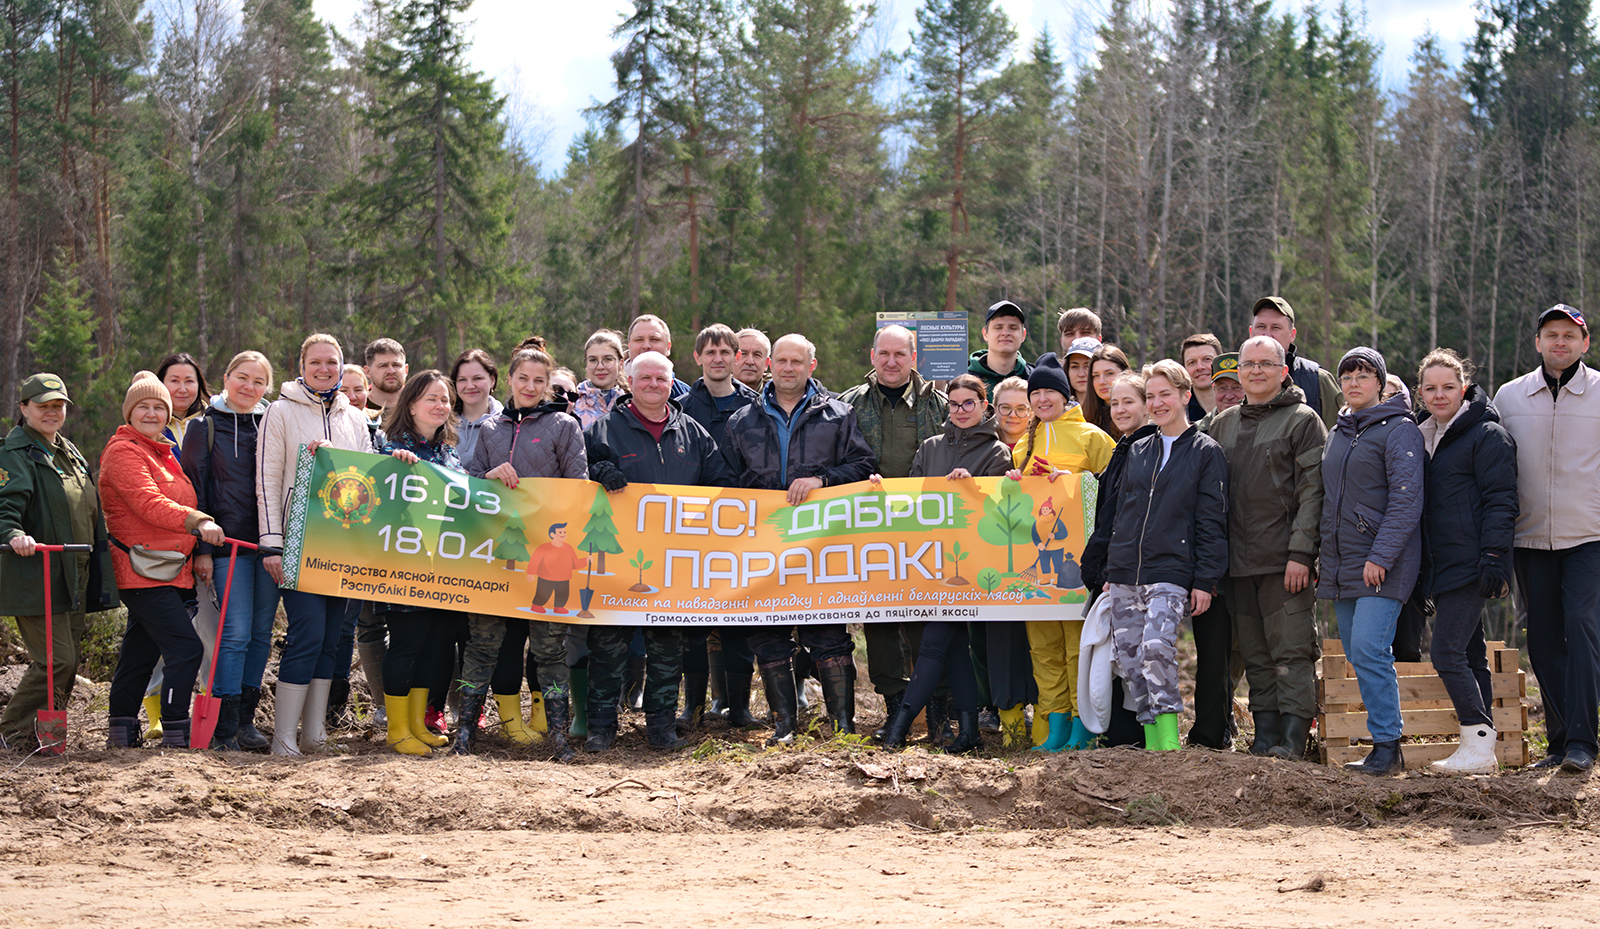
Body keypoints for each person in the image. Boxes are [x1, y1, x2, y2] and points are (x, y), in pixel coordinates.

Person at [721, 333, 876, 744]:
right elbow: (725, 481)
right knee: (768, 635)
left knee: (827, 632)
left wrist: (822, 480)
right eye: (782, 361)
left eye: (797, 361)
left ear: (812, 365)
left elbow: (863, 465)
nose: (788, 368)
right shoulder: (741, 421)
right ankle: (784, 725)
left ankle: (843, 726)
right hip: (762, 547)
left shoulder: (838, 415)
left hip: (821, 546)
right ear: (770, 364)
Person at [584, 351, 733, 751]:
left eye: (661, 379)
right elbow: (578, 478)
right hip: (616, 562)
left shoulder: (694, 433)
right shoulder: (603, 429)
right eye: (645, 378)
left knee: (668, 649)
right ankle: (601, 728)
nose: (653, 385)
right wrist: (599, 474)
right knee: (607, 648)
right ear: (629, 381)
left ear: (672, 382)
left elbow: (722, 485)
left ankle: (661, 728)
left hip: (672, 564)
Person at [463, 340, 587, 760]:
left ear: (548, 384)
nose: (530, 386)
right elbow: (466, 486)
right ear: (510, 380)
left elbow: (578, 488)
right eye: (523, 378)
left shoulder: (564, 427)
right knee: (483, 645)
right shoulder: (489, 429)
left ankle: (557, 734)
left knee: (550, 649)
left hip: (547, 559)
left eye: (539, 380)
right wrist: (487, 476)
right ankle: (466, 732)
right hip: (495, 557)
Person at [1204, 336, 1328, 759]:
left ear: (1283, 371)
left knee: (1291, 651)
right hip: (1237, 564)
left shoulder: (1303, 420)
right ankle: (1265, 733)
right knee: (1256, 654)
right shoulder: (1222, 424)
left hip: (1283, 562)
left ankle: (1294, 738)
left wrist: (1301, 554)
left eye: (1265, 363)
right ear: (1239, 372)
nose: (1256, 370)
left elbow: (1314, 493)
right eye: (1249, 364)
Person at [1097, 360, 1229, 751]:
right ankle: (1153, 745)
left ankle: (1170, 744)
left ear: (1185, 396)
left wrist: (1205, 580)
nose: (1156, 403)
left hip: (1171, 571)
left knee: (1156, 649)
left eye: (1164, 395)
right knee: (1130, 660)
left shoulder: (1206, 452)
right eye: (1150, 396)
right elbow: (1121, 514)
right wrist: (1111, 569)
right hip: (1125, 572)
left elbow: (1211, 521)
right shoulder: (1138, 450)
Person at [879, 374, 1011, 752]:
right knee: (953, 647)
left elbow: (1000, 509)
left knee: (934, 644)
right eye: (954, 404)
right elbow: (912, 498)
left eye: (969, 403)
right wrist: (880, 490)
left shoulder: (996, 452)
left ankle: (898, 728)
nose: (961, 411)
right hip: (933, 562)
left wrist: (974, 485)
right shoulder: (930, 447)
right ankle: (969, 733)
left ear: (984, 406)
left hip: (971, 564)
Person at [258, 333, 375, 756]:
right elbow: (268, 481)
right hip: (297, 543)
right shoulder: (280, 412)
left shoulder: (356, 419)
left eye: (332, 363)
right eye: (316, 363)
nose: (324, 370)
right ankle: (283, 737)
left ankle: (314, 735)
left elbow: (368, 481)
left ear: (342, 367)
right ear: (302, 365)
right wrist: (272, 544)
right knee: (306, 634)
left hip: (344, 547)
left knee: (330, 639)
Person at [1495, 304, 1600, 774]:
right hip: (1530, 538)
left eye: (1570, 336)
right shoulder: (1510, 397)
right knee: (1542, 639)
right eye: (1551, 335)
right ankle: (1557, 742)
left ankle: (1583, 740)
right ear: (1537, 343)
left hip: (1589, 535)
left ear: (1585, 343)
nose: (1561, 342)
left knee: (1582, 627)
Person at [101, 372, 227, 749]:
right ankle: (175, 728)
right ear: (129, 413)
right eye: (143, 407)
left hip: (168, 568)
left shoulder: (164, 452)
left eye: (159, 407)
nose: (152, 413)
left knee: (140, 653)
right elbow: (148, 503)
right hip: (141, 569)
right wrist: (197, 520)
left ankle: (121, 729)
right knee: (186, 649)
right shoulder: (123, 451)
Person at [1319, 347, 1425, 776]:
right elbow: (1329, 501)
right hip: (1342, 562)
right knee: (1356, 652)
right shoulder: (1339, 432)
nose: (1354, 382)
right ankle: (1382, 744)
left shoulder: (1400, 429)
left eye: (1364, 375)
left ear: (1380, 383)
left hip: (1384, 561)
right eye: (1347, 375)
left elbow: (1406, 501)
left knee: (1369, 648)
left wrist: (1381, 556)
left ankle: (1388, 745)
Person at [841, 325, 949, 742]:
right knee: (881, 622)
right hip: (870, 535)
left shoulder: (938, 405)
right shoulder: (847, 405)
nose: (890, 362)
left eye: (899, 355)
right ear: (872, 355)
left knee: (927, 623)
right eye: (883, 354)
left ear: (913, 357)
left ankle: (935, 713)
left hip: (928, 533)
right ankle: (896, 712)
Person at [0, 374, 118, 751]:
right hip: (36, 573)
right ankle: (10, 732)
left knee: (67, 666)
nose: (51, 412)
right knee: (57, 662)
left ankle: (49, 739)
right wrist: (14, 534)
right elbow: (6, 509)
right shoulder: (13, 454)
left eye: (58, 406)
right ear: (23, 409)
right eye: (42, 406)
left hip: (74, 572)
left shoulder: (69, 451)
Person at [1415, 349, 1518, 775]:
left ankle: (1477, 739)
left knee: (1446, 651)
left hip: (1472, 562)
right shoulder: (1424, 436)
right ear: (1420, 392)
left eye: (1448, 387)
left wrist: (1495, 555)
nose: (1440, 395)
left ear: (1464, 388)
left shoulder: (1487, 435)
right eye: (1431, 388)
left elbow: (1502, 500)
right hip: (1441, 564)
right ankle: (1480, 749)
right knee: (1472, 654)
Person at [1006, 352, 1115, 751]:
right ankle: (1055, 727)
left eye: (1051, 391)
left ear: (1066, 395)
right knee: (1043, 647)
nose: (1043, 400)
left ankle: (1081, 725)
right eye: (1037, 393)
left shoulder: (1092, 437)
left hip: (1079, 565)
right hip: (1038, 568)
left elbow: (1114, 489)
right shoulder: (1023, 444)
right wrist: (1014, 481)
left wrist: (1079, 480)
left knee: (1076, 647)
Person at [181, 351, 281, 750]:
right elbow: (194, 491)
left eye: (258, 382)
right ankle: (221, 727)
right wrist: (200, 549)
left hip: (270, 545)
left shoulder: (274, 423)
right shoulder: (202, 427)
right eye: (242, 378)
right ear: (225, 378)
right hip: (226, 548)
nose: (249, 387)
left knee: (260, 634)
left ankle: (245, 722)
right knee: (234, 633)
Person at [370, 370, 472, 756]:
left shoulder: (449, 452)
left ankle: (416, 724)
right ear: (411, 404)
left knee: (434, 647)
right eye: (431, 398)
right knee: (406, 645)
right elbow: (376, 487)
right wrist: (392, 463)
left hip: (442, 567)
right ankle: (397, 730)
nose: (440, 406)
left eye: (445, 400)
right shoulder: (390, 446)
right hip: (402, 564)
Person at [675, 324, 759, 731]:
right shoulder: (682, 405)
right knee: (692, 626)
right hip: (691, 528)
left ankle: (740, 708)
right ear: (698, 358)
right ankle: (692, 707)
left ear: (737, 357)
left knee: (737, 623)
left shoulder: (756, 405)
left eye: (726, 351)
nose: (718, 358)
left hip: (742, 528)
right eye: (709, 352)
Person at [1080, 371, 1158, 749]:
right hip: (1108, 569)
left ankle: (1133, 739)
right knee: (1111, 657)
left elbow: (1136, 517)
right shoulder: (1122, 448)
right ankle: (1117, 739)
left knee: (1129, 660)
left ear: (1147, 405)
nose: (1121, 409)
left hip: (1129, 573)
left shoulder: (1150, 450)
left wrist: (1116, 571)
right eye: (1115, 403)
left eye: (1130, 401)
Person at [1249, 297, 1342, 429]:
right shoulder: (1235, 379)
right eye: (1261, 327)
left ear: (1292, 335)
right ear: (1251, 333)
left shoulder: (1317, 380)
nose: (1267, 335)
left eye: (1276, 328)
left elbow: (1340, 436)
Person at [968, 301, 1033, 398]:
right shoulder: (963, 378)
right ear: (985, 333)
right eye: (998, 327)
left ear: (1023, 335)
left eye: (1013, 328)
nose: (1005, 333)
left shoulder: (1034, 379)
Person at [156, 352, 211, 459]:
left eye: (189, 381)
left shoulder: (213, 422)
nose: (182, 389)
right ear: (161, 383)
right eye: (174, 381)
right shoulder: (150, 424)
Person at [452, 349, 503, 464]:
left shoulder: (507, 424)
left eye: (477, 378)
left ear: (492, 380)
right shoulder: (443, 422)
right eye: (462, 380)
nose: (469, 386)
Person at [627, 314, 692, 399]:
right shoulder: (613, 392)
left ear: (668, 347)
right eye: (639, 340)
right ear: (629, 346)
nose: (646, 346)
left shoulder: (685, 396)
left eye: (654, 339)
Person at [575, 330, 626, 429]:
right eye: (593, 360)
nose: (600, 367)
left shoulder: (630, 404)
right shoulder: (573, 401)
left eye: (608, 359)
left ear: (620, 364)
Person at [1084, 343, 1132, 433]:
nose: (1102, 382)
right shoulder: (1083, 419)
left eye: (1109, 373)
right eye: (1096, 375)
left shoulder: (1139, 416)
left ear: (1127, 374)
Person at [1181, 334, 1222, 421]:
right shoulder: (1178, 412)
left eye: (1207, 359)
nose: (1199, 367)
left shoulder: (1240, 402)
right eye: (1192, 362)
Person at [363, 338, 409, 414]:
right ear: (368, 372)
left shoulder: (420, 403)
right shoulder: (355, 407)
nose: (391, 371)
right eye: (383, 366)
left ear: (406, 370)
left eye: (396, 365)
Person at [992, 376, 1032, 449]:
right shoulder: (982, 447)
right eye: (1006, 407)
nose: (1013, 415)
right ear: (995, 409)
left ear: (1031, 412)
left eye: (1021, 409)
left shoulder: (1043, 447)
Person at [1064, 337, 1100, 403]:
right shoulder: (1058, 411)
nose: (1081, 374)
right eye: (1075, 367)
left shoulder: (1115, 409)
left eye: (1088, 366)